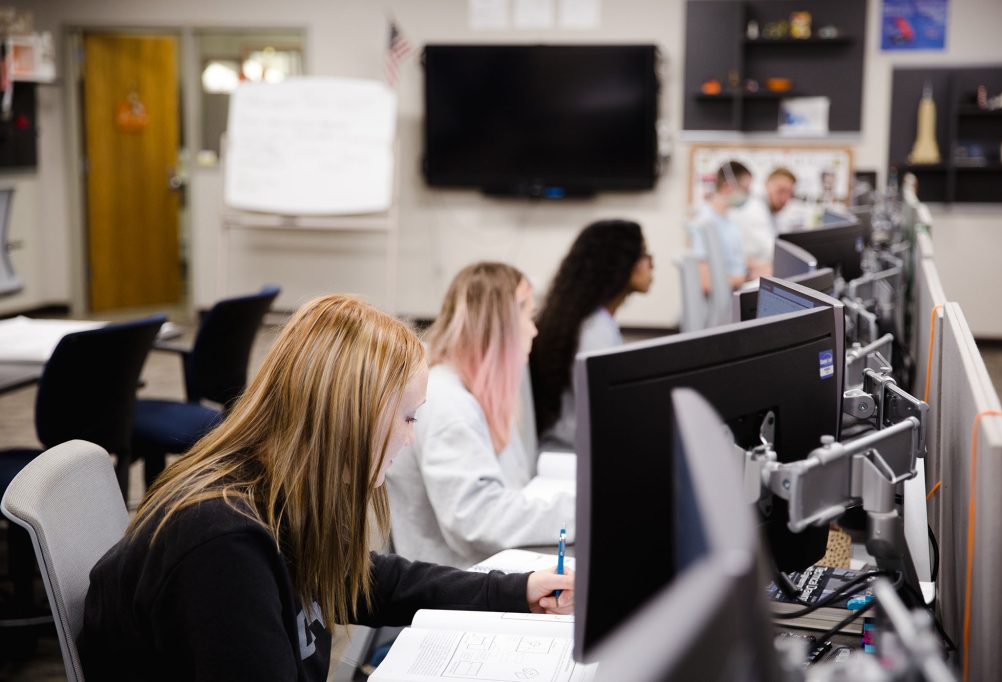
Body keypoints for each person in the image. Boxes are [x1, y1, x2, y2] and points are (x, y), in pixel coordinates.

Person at [78, 294, 573, 682]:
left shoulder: (276, 486)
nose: (410, 436)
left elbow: (364, 579)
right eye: (406, 417)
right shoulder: (223, 542)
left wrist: (515, 591)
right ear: (349, 417)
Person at [387, 263, 575, 568]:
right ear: (500, 325)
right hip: (453, 585)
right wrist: (584, 510)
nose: (534, 329)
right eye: (528, 315)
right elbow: (478, 519)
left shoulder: (473, 393)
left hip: (473, 573)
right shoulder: (449, 404)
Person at [529, 219, 653, 452]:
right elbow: (606, 416)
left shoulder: (587, 321)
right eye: (644, 255)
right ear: (621, 263)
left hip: (565, 450)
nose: (651, 264)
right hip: (572, 458)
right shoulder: (596, 332)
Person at [688, 160, 752, 292]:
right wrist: (743, 278)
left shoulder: (727, 221)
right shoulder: (705, 222)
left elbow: (732, 261)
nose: (747, 195)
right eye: (745, 189)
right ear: (728, 186)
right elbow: (706, 283)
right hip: (722, 304)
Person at [731, 166, 799, 278]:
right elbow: (773, 253)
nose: (785, 198)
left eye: (790, 193)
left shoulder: (769, 210)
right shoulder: (754, 211)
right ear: (766, 185)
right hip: (742, 275)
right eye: (780, 191)